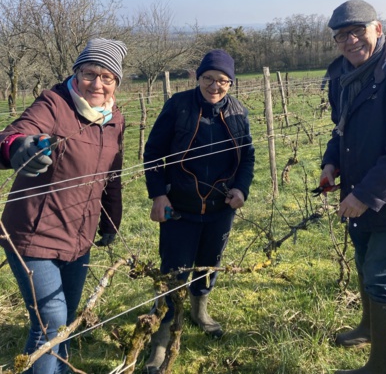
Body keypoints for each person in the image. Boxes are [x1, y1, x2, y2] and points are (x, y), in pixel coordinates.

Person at [0, 38, 127, 374]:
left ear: (116, 82)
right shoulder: (54, 104)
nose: (97, 84)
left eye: (107, 77)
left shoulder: (115, 119)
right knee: (50, 323)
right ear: (76, 72)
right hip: (33, 232)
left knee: (66, 320)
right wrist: (19, 148)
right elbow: (13, 134)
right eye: (89, 73)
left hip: (79, 235)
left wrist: (110, 221)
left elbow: (112, 174)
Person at [143, 49, 255, 373]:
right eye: (209, 78)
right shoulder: (178, 106)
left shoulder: (238, 112)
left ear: (231, 83)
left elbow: (247, 157)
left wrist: (241, 189)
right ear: (198, 77)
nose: (215, 86)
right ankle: (161, 339)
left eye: (223, 81)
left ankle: (199, 311)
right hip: (179, 208)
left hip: (221, 209)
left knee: (209, 265)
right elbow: (153, 153)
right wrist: (158, 196)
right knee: (173, 274)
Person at [320, 0, 386, 374]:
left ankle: (383, 367)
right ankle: (369, 328)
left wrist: (365, 195)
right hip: (356, 192)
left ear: (378, 29)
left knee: (383, 277)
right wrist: (330, 163)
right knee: (364, 263)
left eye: (357, 31)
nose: (350, 40)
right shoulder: (342, 77)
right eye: (342, 35)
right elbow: (342, 130)